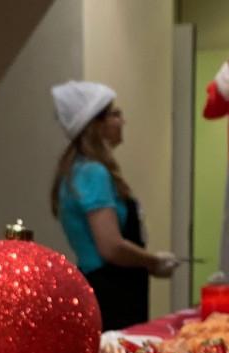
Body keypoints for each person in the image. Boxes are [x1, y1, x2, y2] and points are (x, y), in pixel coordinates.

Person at [50, 81, 176, 331]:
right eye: (115, 114)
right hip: (111, 293)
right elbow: (111, 247)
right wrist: (153, 261)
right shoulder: (92, 173)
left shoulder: (79, 170)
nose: (122, 121)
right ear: (96, 124)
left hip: (110, 288)